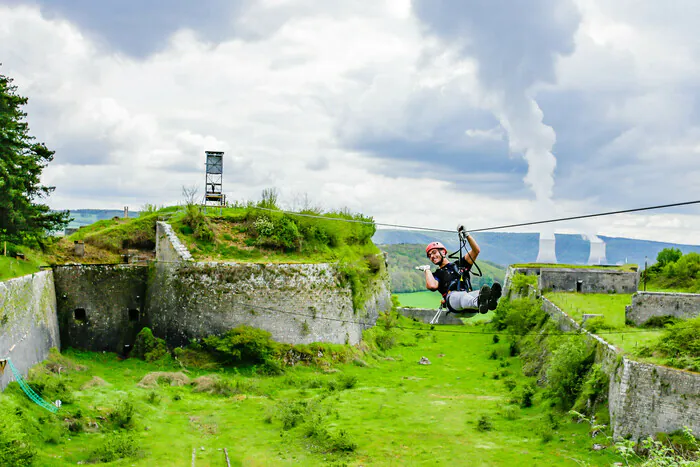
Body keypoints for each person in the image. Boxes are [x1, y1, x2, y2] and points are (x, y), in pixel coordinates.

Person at [417, 226, 501, 316]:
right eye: (429, 255)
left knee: (477, 293)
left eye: (434, 252)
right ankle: (480, 302)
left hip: (469, 305)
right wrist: (427, 270)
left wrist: (467, 234)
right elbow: (432, 286)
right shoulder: (437, 274)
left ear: (443, 252)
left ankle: (490, 300)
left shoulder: (460, 264)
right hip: (454, 305)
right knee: (462, 296)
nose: (432, 256)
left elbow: (476, 251)